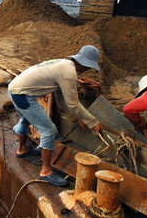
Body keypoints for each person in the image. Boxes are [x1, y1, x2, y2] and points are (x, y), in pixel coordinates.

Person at [8, 45, 102, 187]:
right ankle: (46, 171)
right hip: (22, 95)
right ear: (85, 64)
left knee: (26, 119)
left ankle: (23, 150)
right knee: (49, 130)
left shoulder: (64, 64)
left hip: (15, 89)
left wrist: (78, 117)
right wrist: (93, 122)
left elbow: (60, 95)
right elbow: (74, 104)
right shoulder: (69, 73)